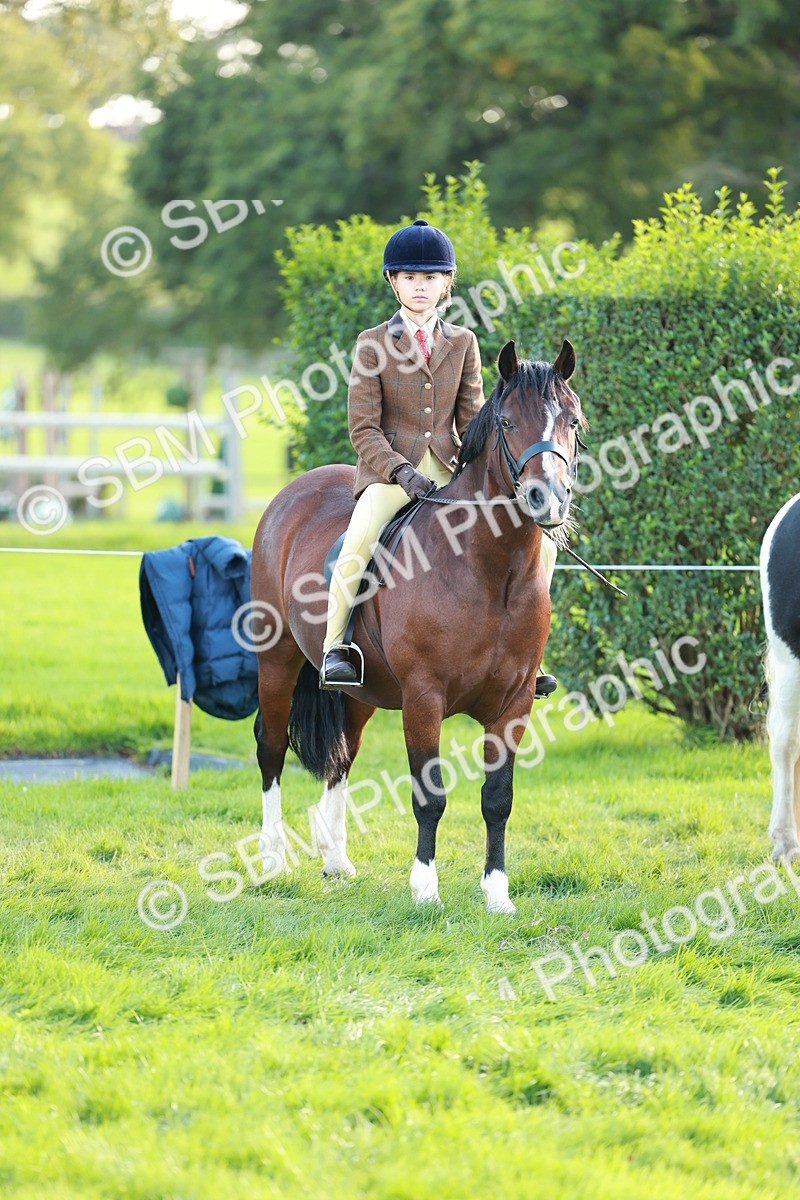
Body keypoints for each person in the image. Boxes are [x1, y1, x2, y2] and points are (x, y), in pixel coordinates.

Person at [320, 219, 557, 693]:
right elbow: (362, 428)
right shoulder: (372, 343)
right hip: (391, 474)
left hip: (452, 471)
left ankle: (531, 654)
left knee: (542, 541)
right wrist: (400, 472)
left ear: (447, 283)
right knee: (361, 536)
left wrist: (494, 471)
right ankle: (336, 645)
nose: (420, 287)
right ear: (393, 282)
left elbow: (473, 420)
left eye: (430, 278)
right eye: (409, 278)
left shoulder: (464, 342)